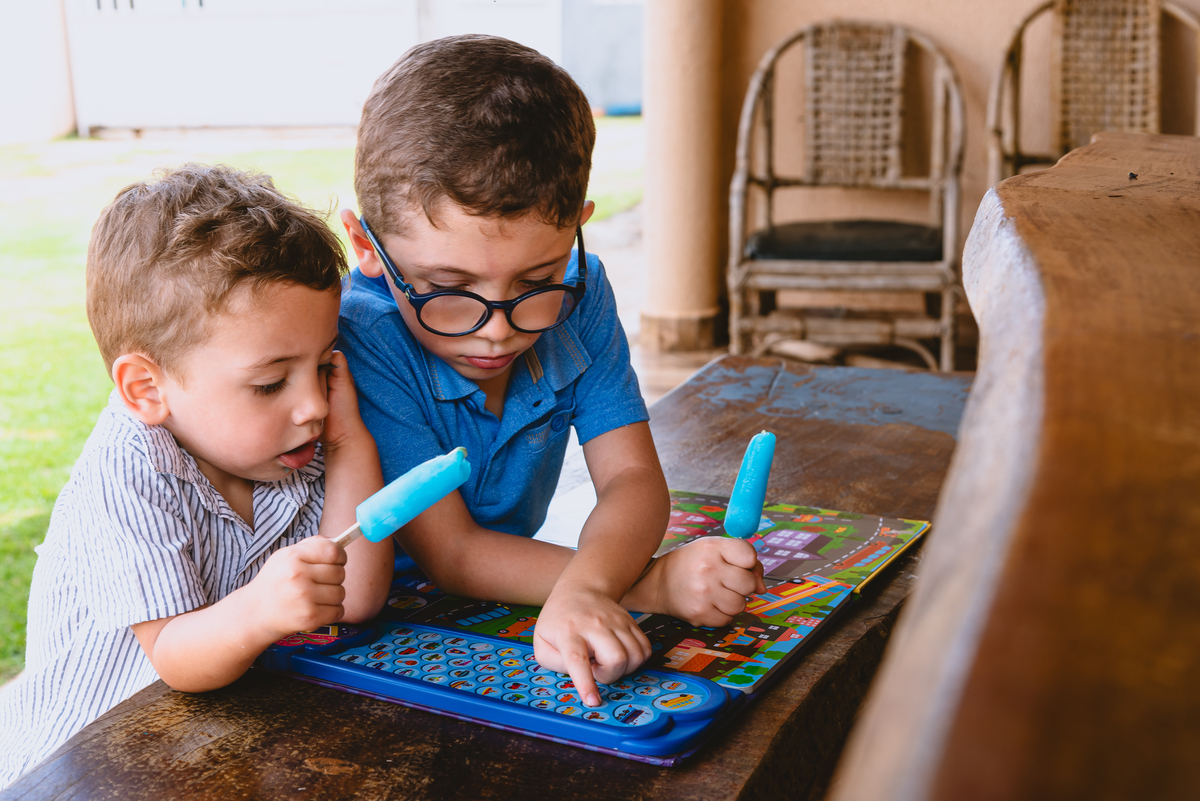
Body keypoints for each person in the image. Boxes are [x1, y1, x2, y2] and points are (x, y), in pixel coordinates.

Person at [338, 35, 766, 709]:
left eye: (537, 280)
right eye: (448, 286)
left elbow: (630, 477)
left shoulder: (583, 292)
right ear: (367, 246)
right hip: (369, 629)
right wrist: (640, 586)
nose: (497, 328)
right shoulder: (365, 334)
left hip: (509, 602)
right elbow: (451, 553)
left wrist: (587, 585)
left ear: (577, 229)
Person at [0, 165, 394, 787]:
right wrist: (261, 610)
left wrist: (349, 444)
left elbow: (357, 597)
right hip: (86, 765)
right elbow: (176, 658)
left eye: (323, 367)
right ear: (147, 388)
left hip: (205, 749)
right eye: (271, 382)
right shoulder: (128, 472)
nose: (313, 405)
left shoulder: (292, 443)